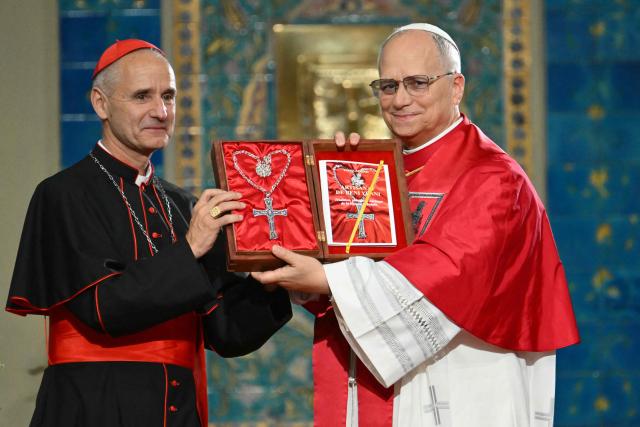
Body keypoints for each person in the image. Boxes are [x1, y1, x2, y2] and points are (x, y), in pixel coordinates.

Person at [252, 23, 580, 426]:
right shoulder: (381, 171)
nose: (400, 99)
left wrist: (328, 279)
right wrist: (329, 195)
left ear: (456, 86)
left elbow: (441, 275)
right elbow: (352, 271)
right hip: (394, 389)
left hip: (463, 387)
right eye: (388, 86)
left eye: (417, 83)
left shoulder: (494, 179)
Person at [6, 39, 292, 427]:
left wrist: (271, 280)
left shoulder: (182, 204)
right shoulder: (63, 194)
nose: (161, 111)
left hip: (177, 408)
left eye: (169, 97)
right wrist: (190, 247)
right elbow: (105, 309)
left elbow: (227, 333)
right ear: (100, 103)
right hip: (93, 407)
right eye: (142, 96)